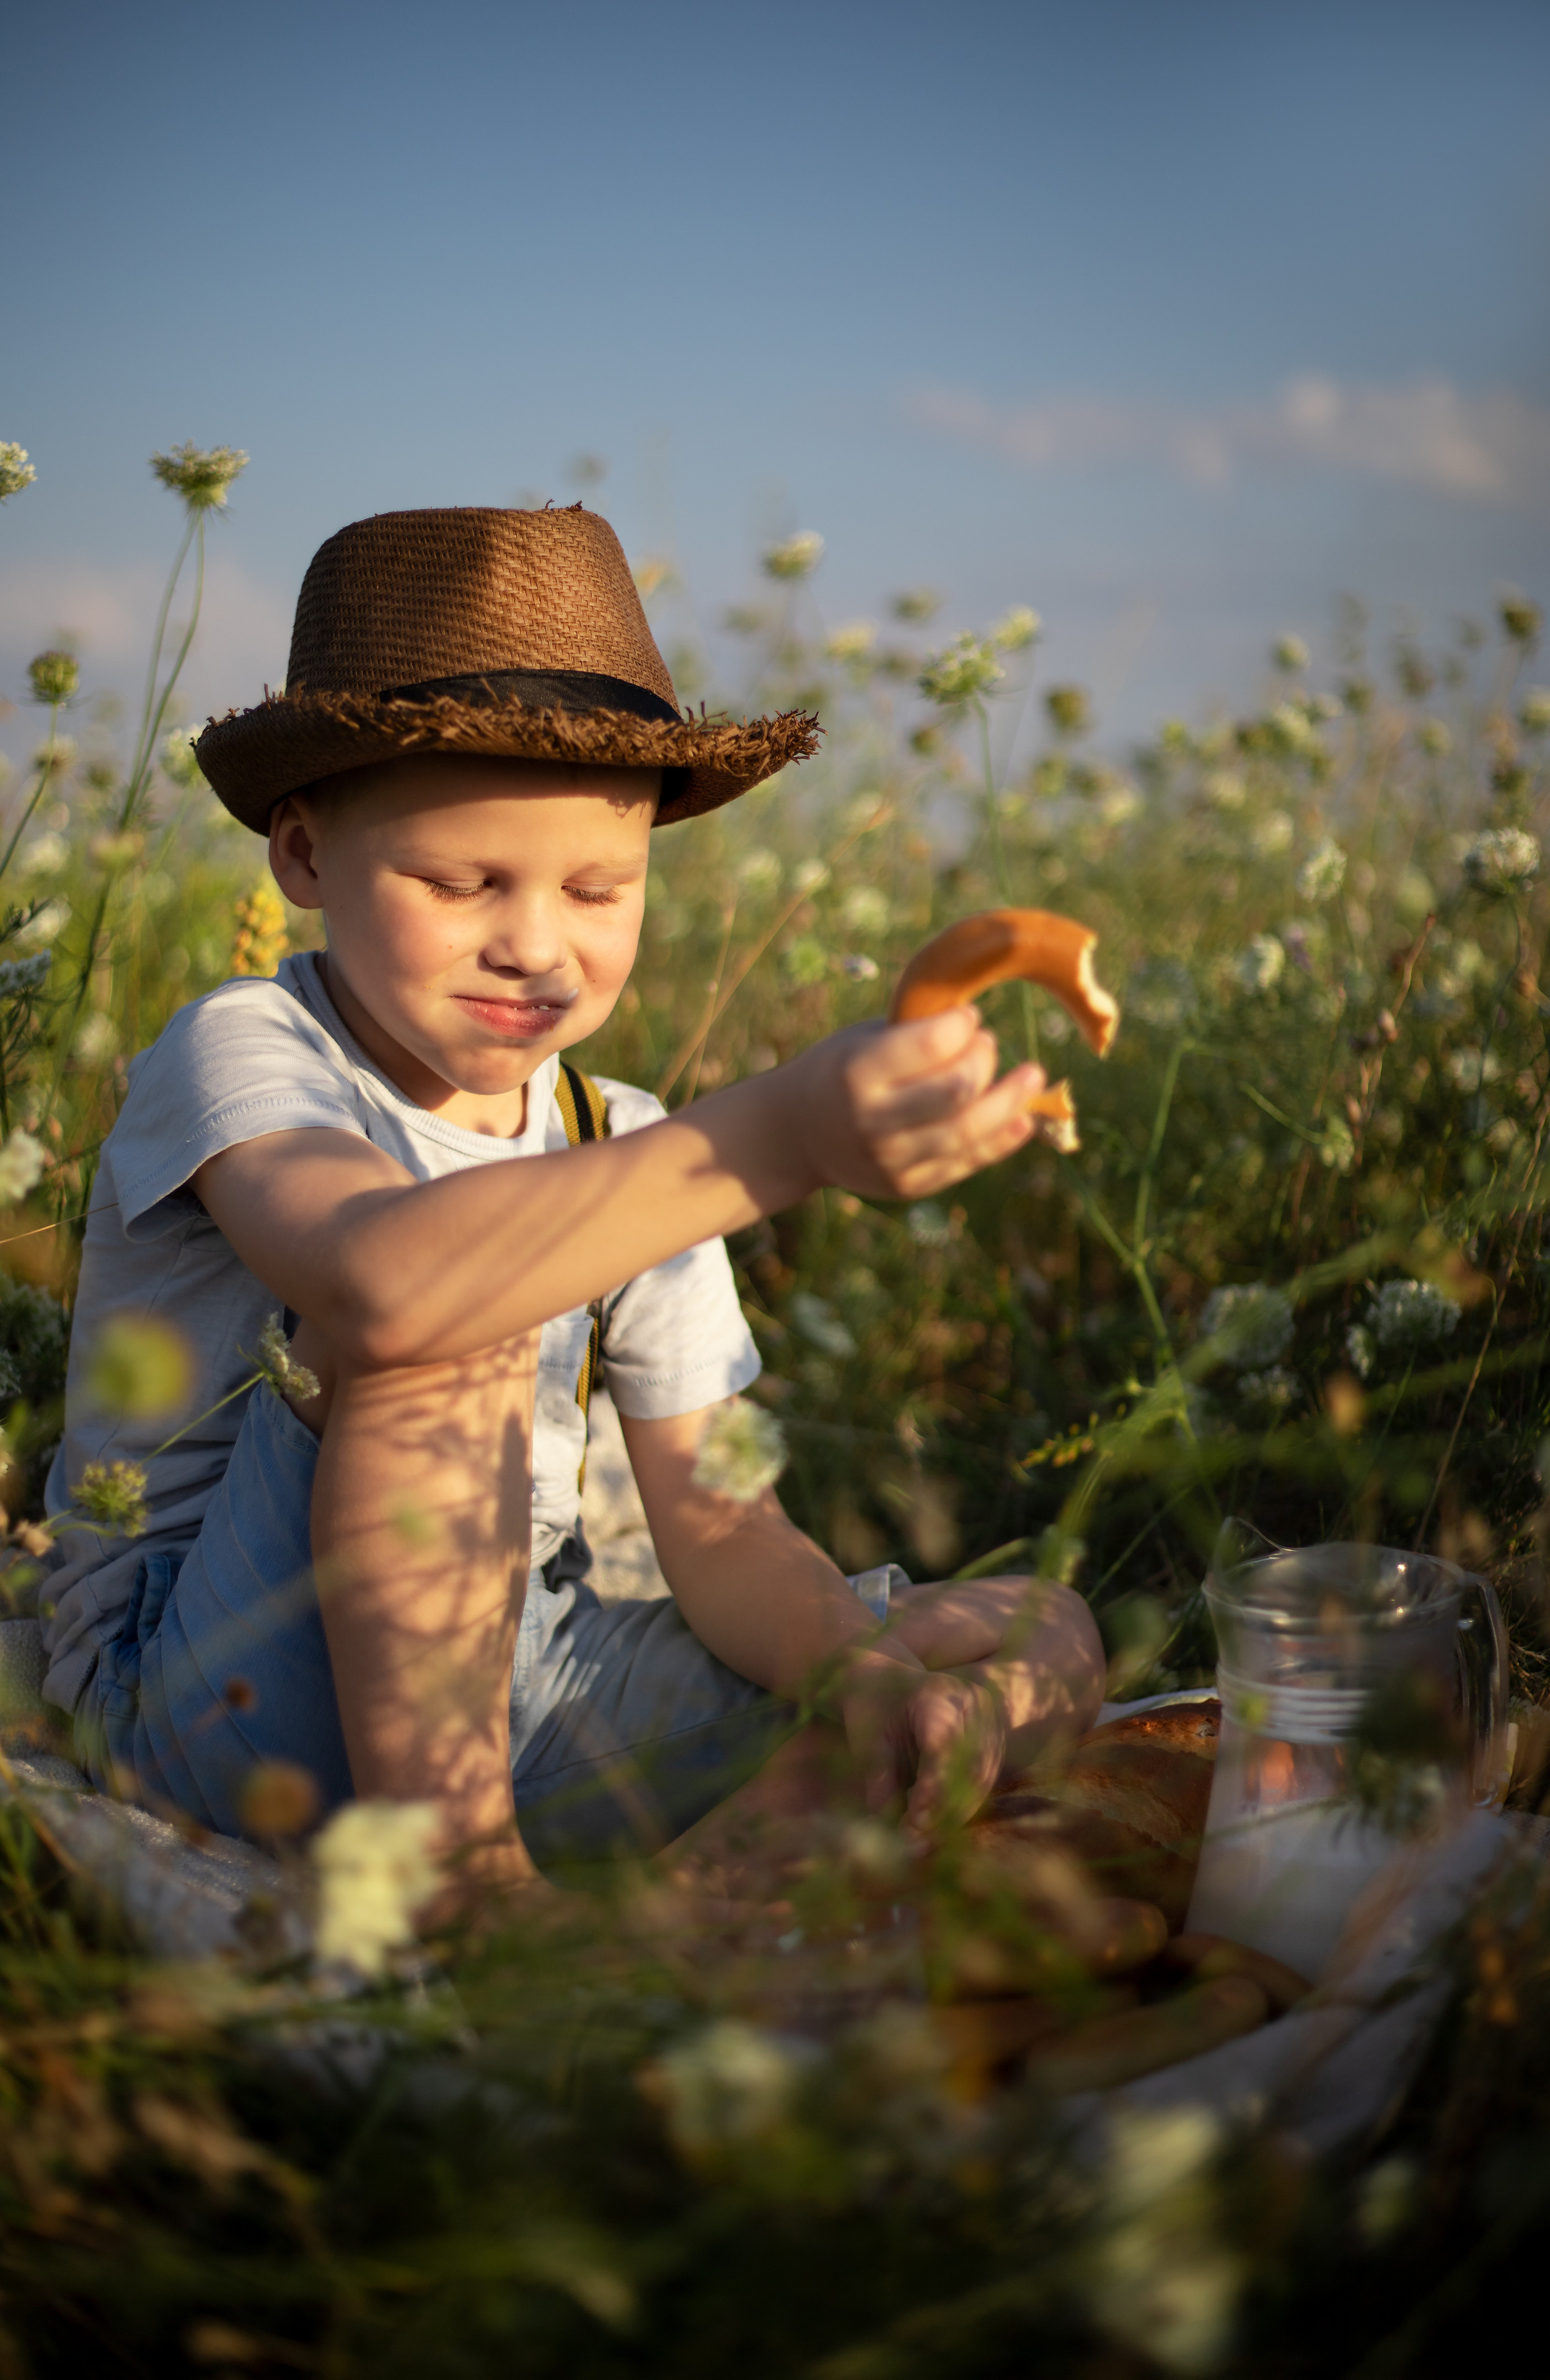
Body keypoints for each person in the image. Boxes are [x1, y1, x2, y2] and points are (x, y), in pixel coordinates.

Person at [42, 505, 1103, 1910]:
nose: (536, 945)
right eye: (459, 882)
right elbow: (384, 1286)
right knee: (462, 1305)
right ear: (302, 858)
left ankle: (702, 1881)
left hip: (511, 1683)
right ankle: (467, 1897)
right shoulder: (247, 1048)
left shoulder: (623, 1143)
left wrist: (862, 1677)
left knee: (1042, 1632)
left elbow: (720, 1529)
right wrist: (781, 1134)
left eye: (599, 889)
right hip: (210, 1686)